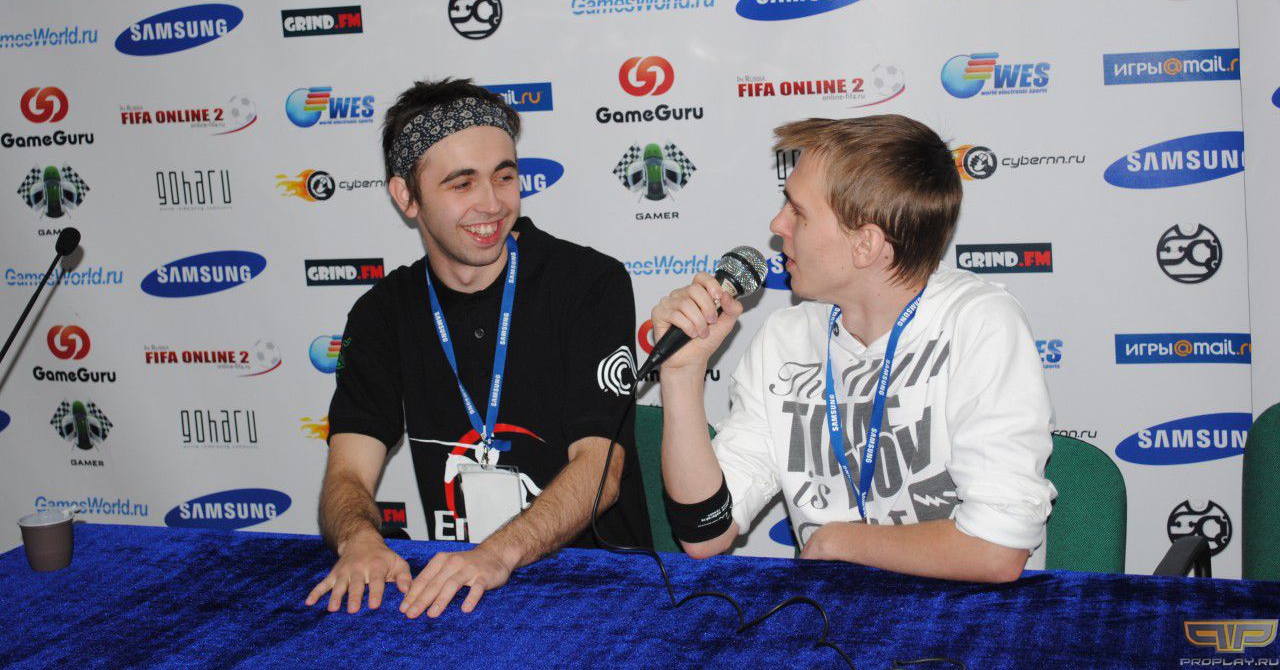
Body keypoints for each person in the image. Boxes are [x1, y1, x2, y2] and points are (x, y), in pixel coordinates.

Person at [652, 115, 1055, 582]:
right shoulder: (783, 339)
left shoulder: (978, 323)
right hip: (837, 616)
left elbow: (996, 550)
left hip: (968, 617)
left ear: (865, 244)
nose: (777, 224)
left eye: (798, 212)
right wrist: (682, 375)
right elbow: (706, 533)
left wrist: (840, 541)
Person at [306, 78, 650, 618]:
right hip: (463, 596)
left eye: (504, 177)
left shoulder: (589, 284)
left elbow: (601, 470)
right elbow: (347, 472)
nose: (491, 203)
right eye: (462, 184)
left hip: (599, 592)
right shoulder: (381, 314)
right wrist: (359, 540)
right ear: (406, 197)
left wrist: (496, 555)